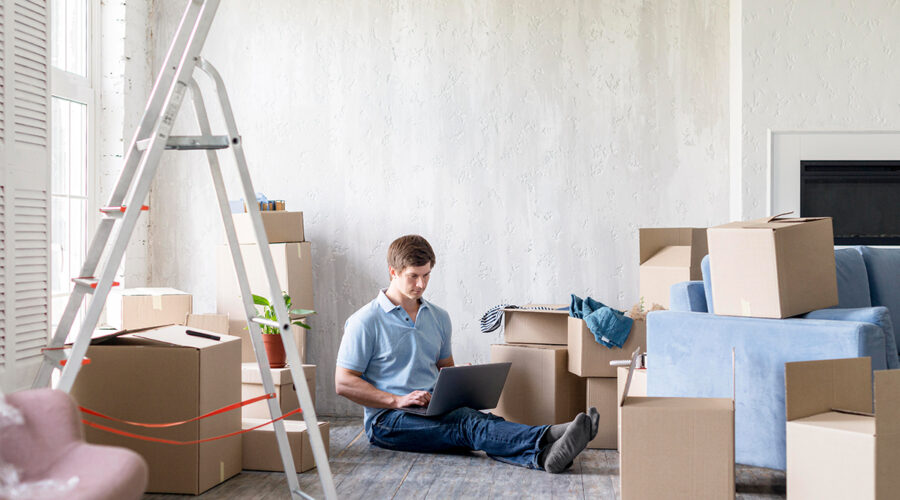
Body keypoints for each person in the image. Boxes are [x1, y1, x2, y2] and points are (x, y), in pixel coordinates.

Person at [335, 234, 598, 472]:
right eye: (413, 276)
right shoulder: (365, 321)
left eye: (426, 275)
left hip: (431, 408)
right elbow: (343, 382)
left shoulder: (438, 317)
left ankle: (544, 458)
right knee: (468, 426)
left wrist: (461, 378)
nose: (421, 284)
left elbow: (444, 369)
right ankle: (550, 434)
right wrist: (396, 400)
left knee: (476, 423)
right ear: (393, 272)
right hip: (387, 421)